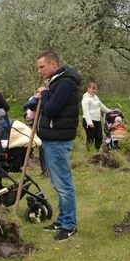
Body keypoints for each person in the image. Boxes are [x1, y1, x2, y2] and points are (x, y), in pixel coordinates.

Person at [35, 51, 81, 241]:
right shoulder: (57, 82)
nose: (39, 71)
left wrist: (44, 94)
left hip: (58, 141)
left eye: (42, 67)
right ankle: (62, 220)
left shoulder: (64, 83)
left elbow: (52, 109)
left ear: (53, 64)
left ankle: (69, 225)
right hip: (52, 139)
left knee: (63, 184)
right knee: (57, 183)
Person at [81, 81, 111, 151]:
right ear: (88, 88)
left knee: (99, 137)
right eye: (92, 89)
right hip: (88, 121)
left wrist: (109, 111)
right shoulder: (85, 99)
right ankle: (89, 152)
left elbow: (101, 105)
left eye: (95, 89)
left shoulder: (95, 97)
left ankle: (97, 151)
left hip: (97, 120)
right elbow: (86, 112)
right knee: (90, 138)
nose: (94, 91)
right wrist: (89, 123)